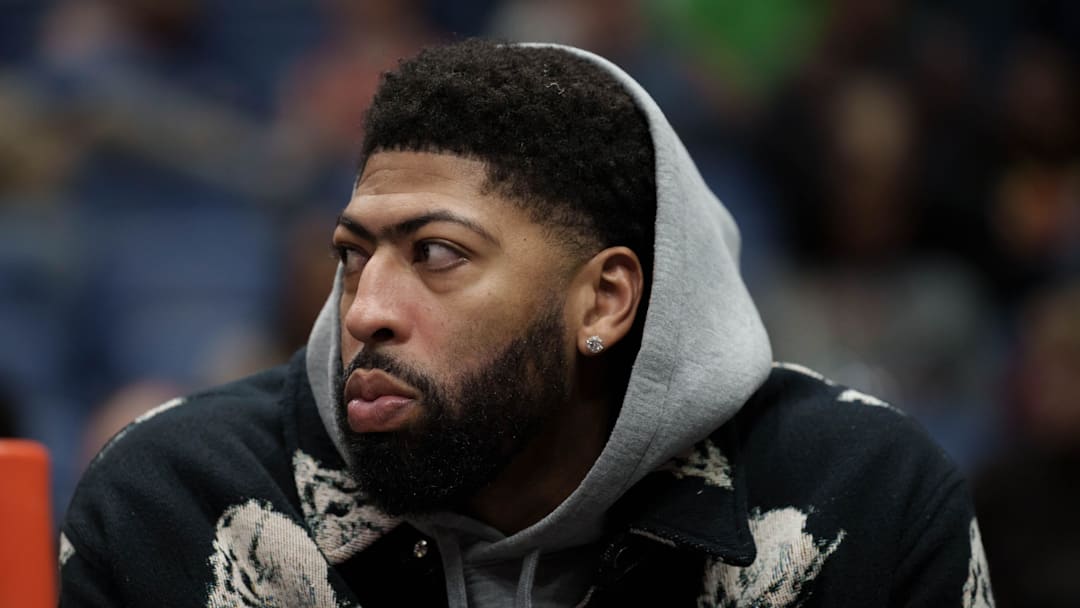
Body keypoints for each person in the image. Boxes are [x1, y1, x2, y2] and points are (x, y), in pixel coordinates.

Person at [59, 40, 994, 607]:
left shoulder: (861, 502)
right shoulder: (173, 504)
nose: (366, 310)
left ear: (605, 301)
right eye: (354, 254)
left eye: (437, 254)